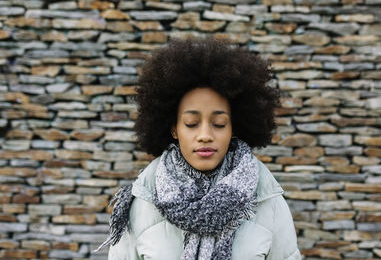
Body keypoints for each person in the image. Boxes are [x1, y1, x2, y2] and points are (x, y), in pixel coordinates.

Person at [96, 38, 301, 260]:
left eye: (219, 124)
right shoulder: (143, 201)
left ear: (234, 127)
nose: (205, 135)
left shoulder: (267, 200)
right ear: (174, 129)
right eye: (191, 124)